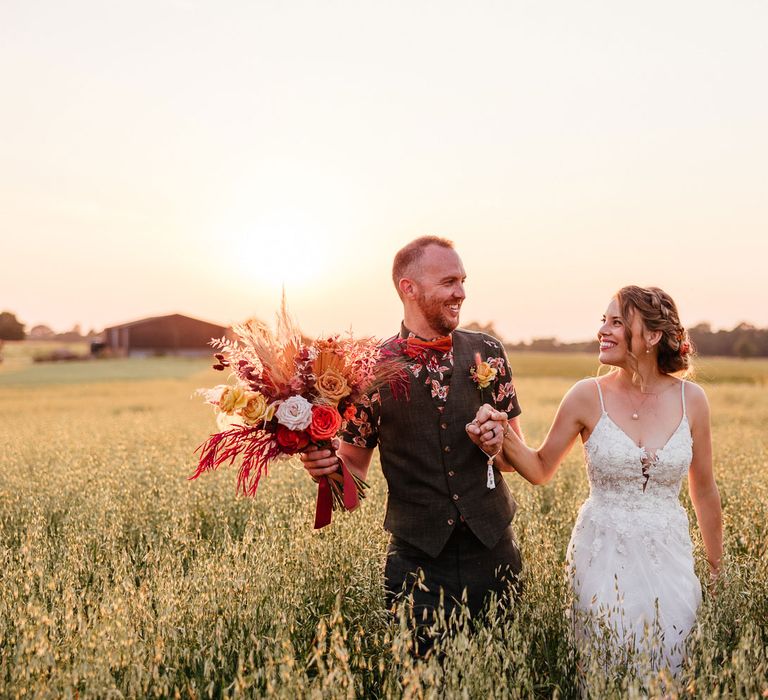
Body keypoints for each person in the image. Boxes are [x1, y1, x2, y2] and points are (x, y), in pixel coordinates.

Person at [470, 285, 723, 675]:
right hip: (601, 556)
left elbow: (704, 490)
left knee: (670, 668)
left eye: (617, 322)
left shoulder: (693, 400)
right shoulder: (587, 396)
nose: (603, 330)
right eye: (603, 321)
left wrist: (716, 571)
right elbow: (539, 468)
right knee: (605, 667)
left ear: (653, 336)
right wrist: (502, 431)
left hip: (669, 556)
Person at [300, 236, 523, 654]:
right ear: (409, 288)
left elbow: (514, 461)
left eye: (463, 281)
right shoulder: (369, 369)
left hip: (495, 553)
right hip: (418, 567)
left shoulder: (488, 352)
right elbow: (353, 480)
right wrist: (325, 466)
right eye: (449, 281)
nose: (461, 292)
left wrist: (498, 445)